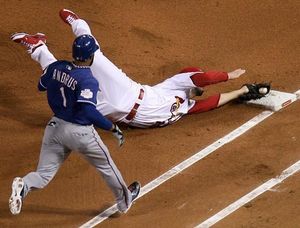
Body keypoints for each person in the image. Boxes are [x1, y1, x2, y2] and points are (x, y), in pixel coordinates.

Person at [56, 9, 262, 128]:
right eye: (197, 85)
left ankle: (39, 48)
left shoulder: (186, 106)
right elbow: (206, 78)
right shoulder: (176, 84)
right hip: (129, 93)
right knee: (96, 56)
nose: (201, 91)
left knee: (69, 109)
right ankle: (78, 24)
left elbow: (211, 103)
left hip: (117, 113)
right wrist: (228, 76)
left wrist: (241, 91)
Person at [9, 32, 141, 215]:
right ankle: (124, 202)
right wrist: (112, 127)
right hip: (80, 134)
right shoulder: (88, 80)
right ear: (91, 57)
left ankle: (25, 185)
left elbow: (41, 86)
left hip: (54, 129)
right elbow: (88, 110)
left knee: (44, 174)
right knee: (106, 165)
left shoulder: (56, 67)